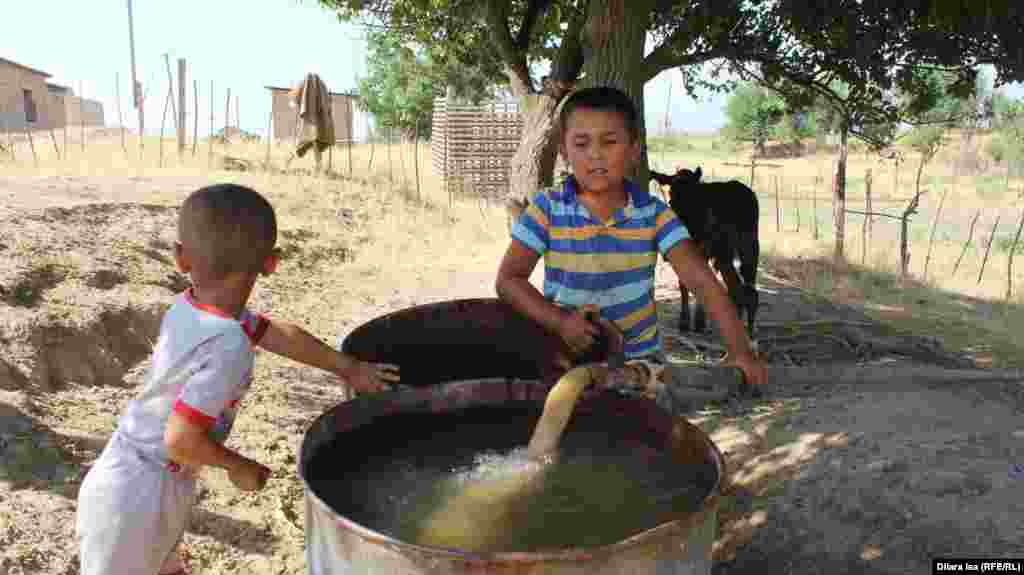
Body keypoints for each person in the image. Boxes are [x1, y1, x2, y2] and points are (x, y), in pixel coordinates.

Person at [76, 184, 399, 575]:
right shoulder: (228, 343)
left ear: (181, 257)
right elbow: (180, 439)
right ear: (272, 263)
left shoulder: (193, 308)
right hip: (137, 499)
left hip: (142, 481)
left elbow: (278, 334)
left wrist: (348, 368)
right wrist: (237, 466)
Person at [496, 86, 767, 390]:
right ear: (564, 152)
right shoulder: (546, 208)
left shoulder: (655, 215)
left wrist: (741, 351)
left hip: (641, 370)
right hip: (564, 361)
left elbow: (703, 282)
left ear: (634, 150)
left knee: (648, 415)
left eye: (609, 142)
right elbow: (509, 279)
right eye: (581, 143)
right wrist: (559, 321)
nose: (595, 154)